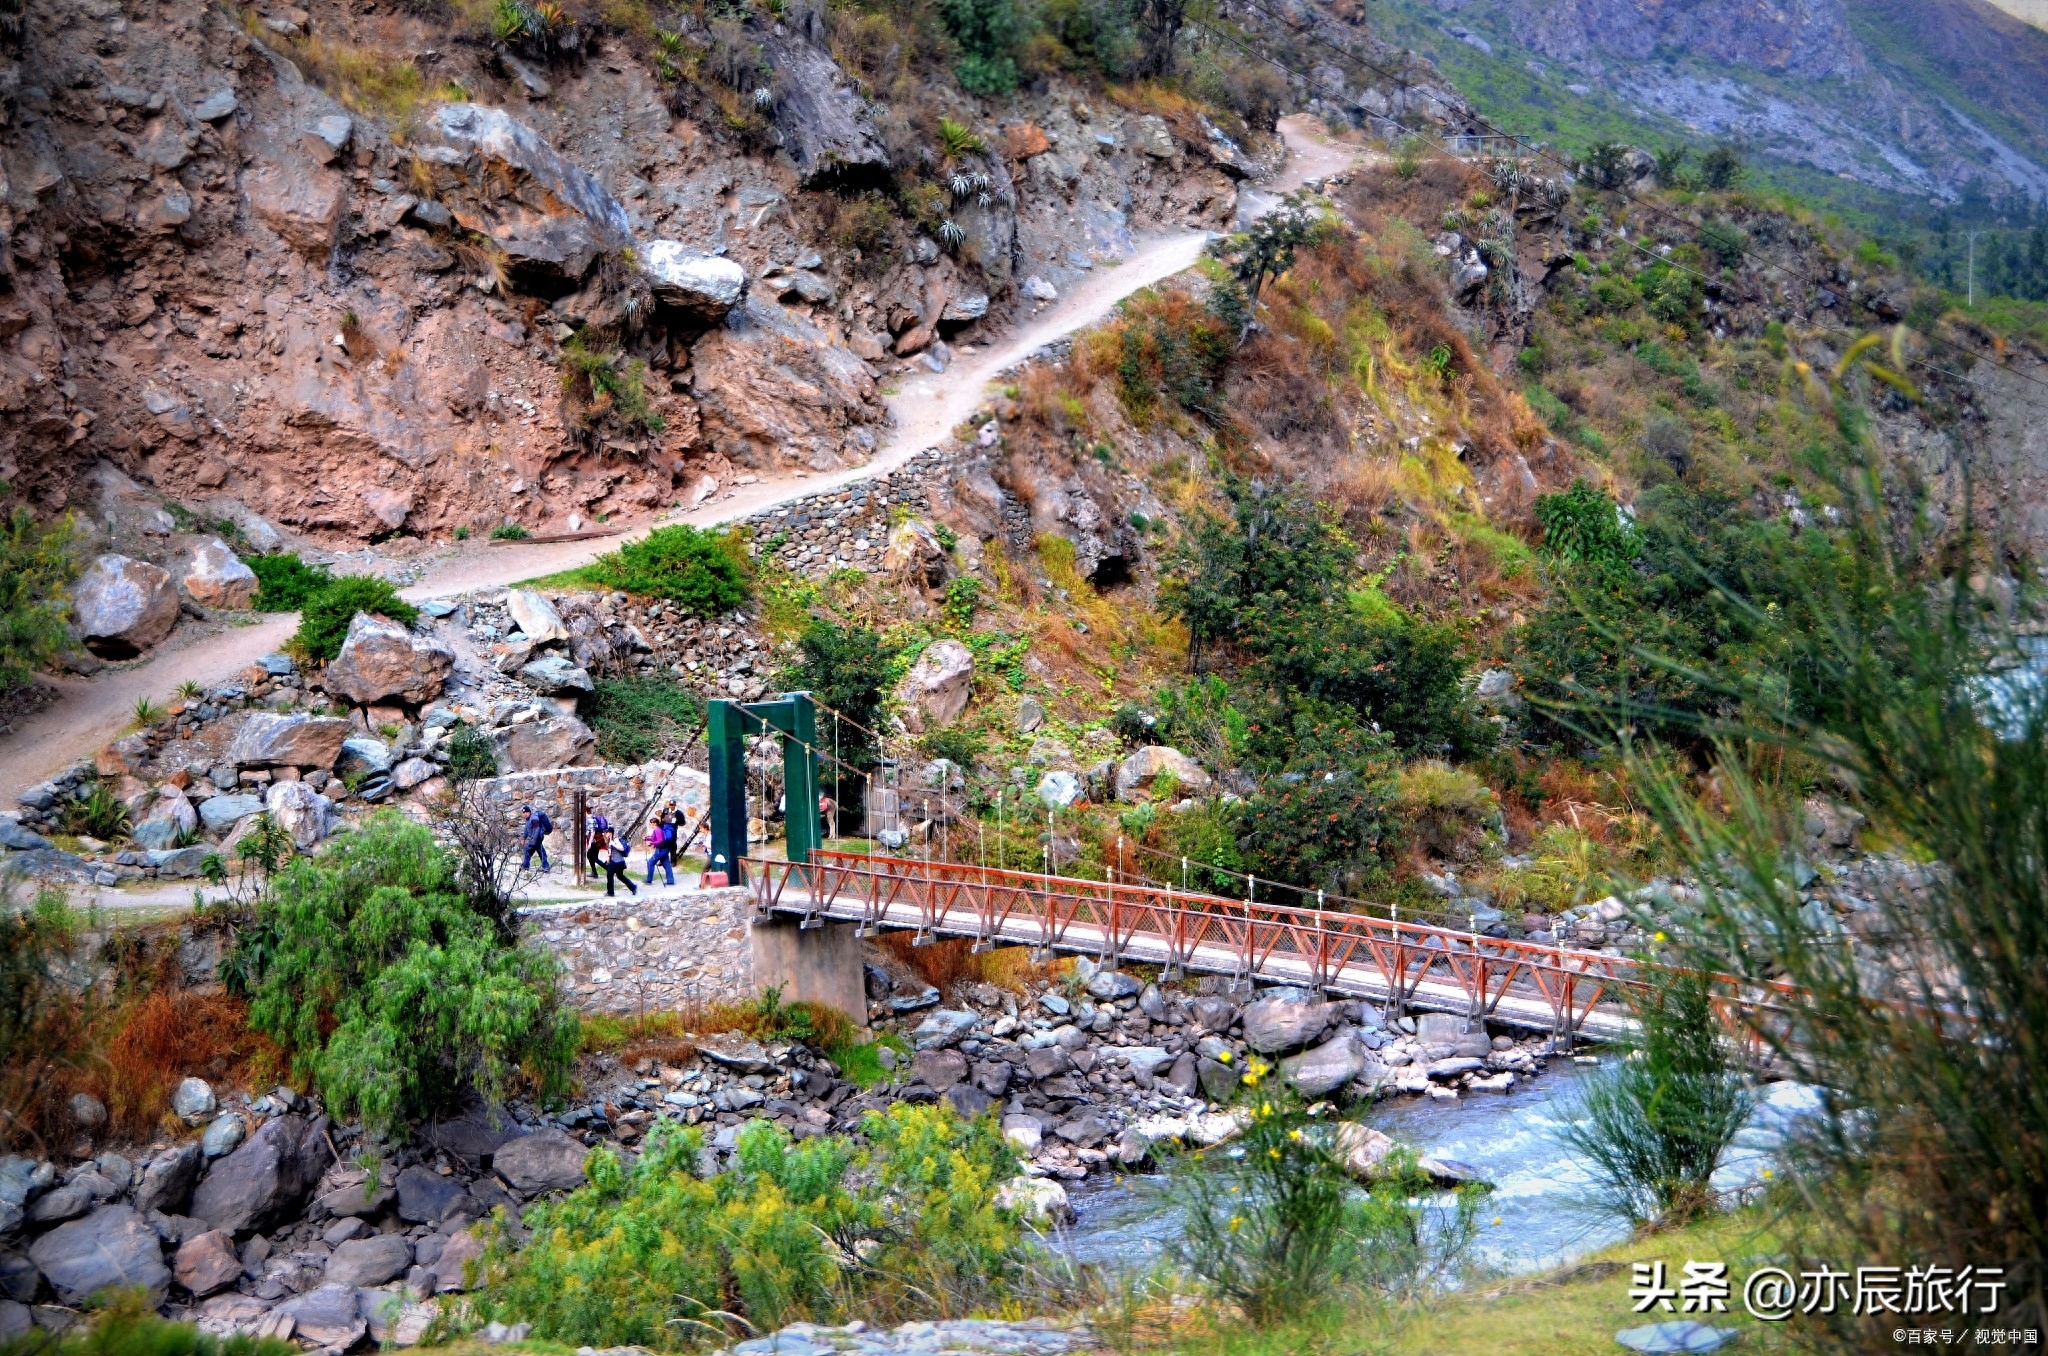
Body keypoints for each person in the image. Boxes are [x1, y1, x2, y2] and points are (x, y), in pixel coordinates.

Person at [644, 808, 675, 887]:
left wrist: (651, 843)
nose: (650, 824)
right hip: (665, 848)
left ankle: (649, 880)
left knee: (650, 862)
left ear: (655, 823)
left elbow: (660, 840)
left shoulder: (657, 830)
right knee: (666, 864)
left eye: (651, 823)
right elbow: (655, 838)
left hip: (661, 849)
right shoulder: (657, 830)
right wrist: (647, 838)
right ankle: (670, 880)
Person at [604, 830, 637, 897]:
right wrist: (608, 857)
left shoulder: (615, 839)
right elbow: (610, 851)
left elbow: (621, 848)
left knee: (610, 875)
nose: (605, 834)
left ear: (610, 833)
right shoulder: (609, 840)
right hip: (616, 861)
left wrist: (613, 844)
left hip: (617, 862)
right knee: (620, 876)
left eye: (606, 832)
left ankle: (610, 892)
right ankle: (633, 887)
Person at [520, 805, 553, 872]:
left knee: (531, 851)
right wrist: (524, 838)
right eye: (524, 813)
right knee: (538, 852)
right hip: (534, 839)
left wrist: (533, 842)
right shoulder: (528, 820)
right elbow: (526, 830)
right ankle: (545, 867)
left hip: (537, 838)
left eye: (526, 812)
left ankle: (526, 866)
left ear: (529, 812)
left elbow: (537, 829)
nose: (525, 814)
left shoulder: (534, 818)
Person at [584, 813, 610, 879]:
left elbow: (593, 832)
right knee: (591, 856)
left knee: (593, 857)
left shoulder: (591, 819)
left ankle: (608, 868)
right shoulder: (594, 817)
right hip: (598, 840)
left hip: (594, 841)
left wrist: (589, 843)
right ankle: (594, 872)